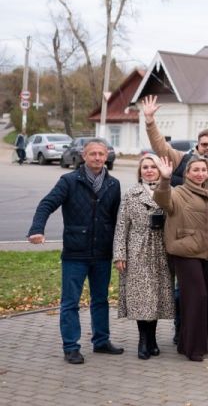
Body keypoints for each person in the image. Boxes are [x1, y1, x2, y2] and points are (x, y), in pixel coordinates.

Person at [140, 94, 208, 341]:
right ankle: (181, 329)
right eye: (204, 144)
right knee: (185, 289)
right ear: (198, 145)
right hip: (187, 235)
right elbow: (160, 147)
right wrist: (150, 121)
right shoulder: (184, 161)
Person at [28, 139, 123, 364]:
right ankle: (71, 347)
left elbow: (117, 218)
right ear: (84, 155)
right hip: (75, 253)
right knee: (70, 302)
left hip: (102, 252)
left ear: (107, 155)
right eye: (93, 154)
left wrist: (120, 249)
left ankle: (101, 341)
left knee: (100, 299)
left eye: (101, 154)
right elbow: (46, 204)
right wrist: (36, 229)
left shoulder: (114, 184)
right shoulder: (69, 181)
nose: (98, 158)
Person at [153, 155, 208, 362]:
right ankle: (194, 349)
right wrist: (164, 179)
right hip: (184, 252)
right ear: (187, 173)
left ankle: (185, 344)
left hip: (205, 253)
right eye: (195, 170)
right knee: (197, 297)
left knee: (197, 300)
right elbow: (162, 201)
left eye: (203, 170)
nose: (200, 174)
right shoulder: (178, 192)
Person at [113, 154, 176, 360]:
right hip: (138, 248)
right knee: (142, 296)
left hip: (161, 249)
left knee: (156, 295)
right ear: (140, 171)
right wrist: (120, 254)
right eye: (145, 167)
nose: (149, 170)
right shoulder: (131, 194)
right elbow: (122, 226)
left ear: (160, 170)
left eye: (153, 167)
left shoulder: (169, 192)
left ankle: (153, 339)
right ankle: (143, 340)